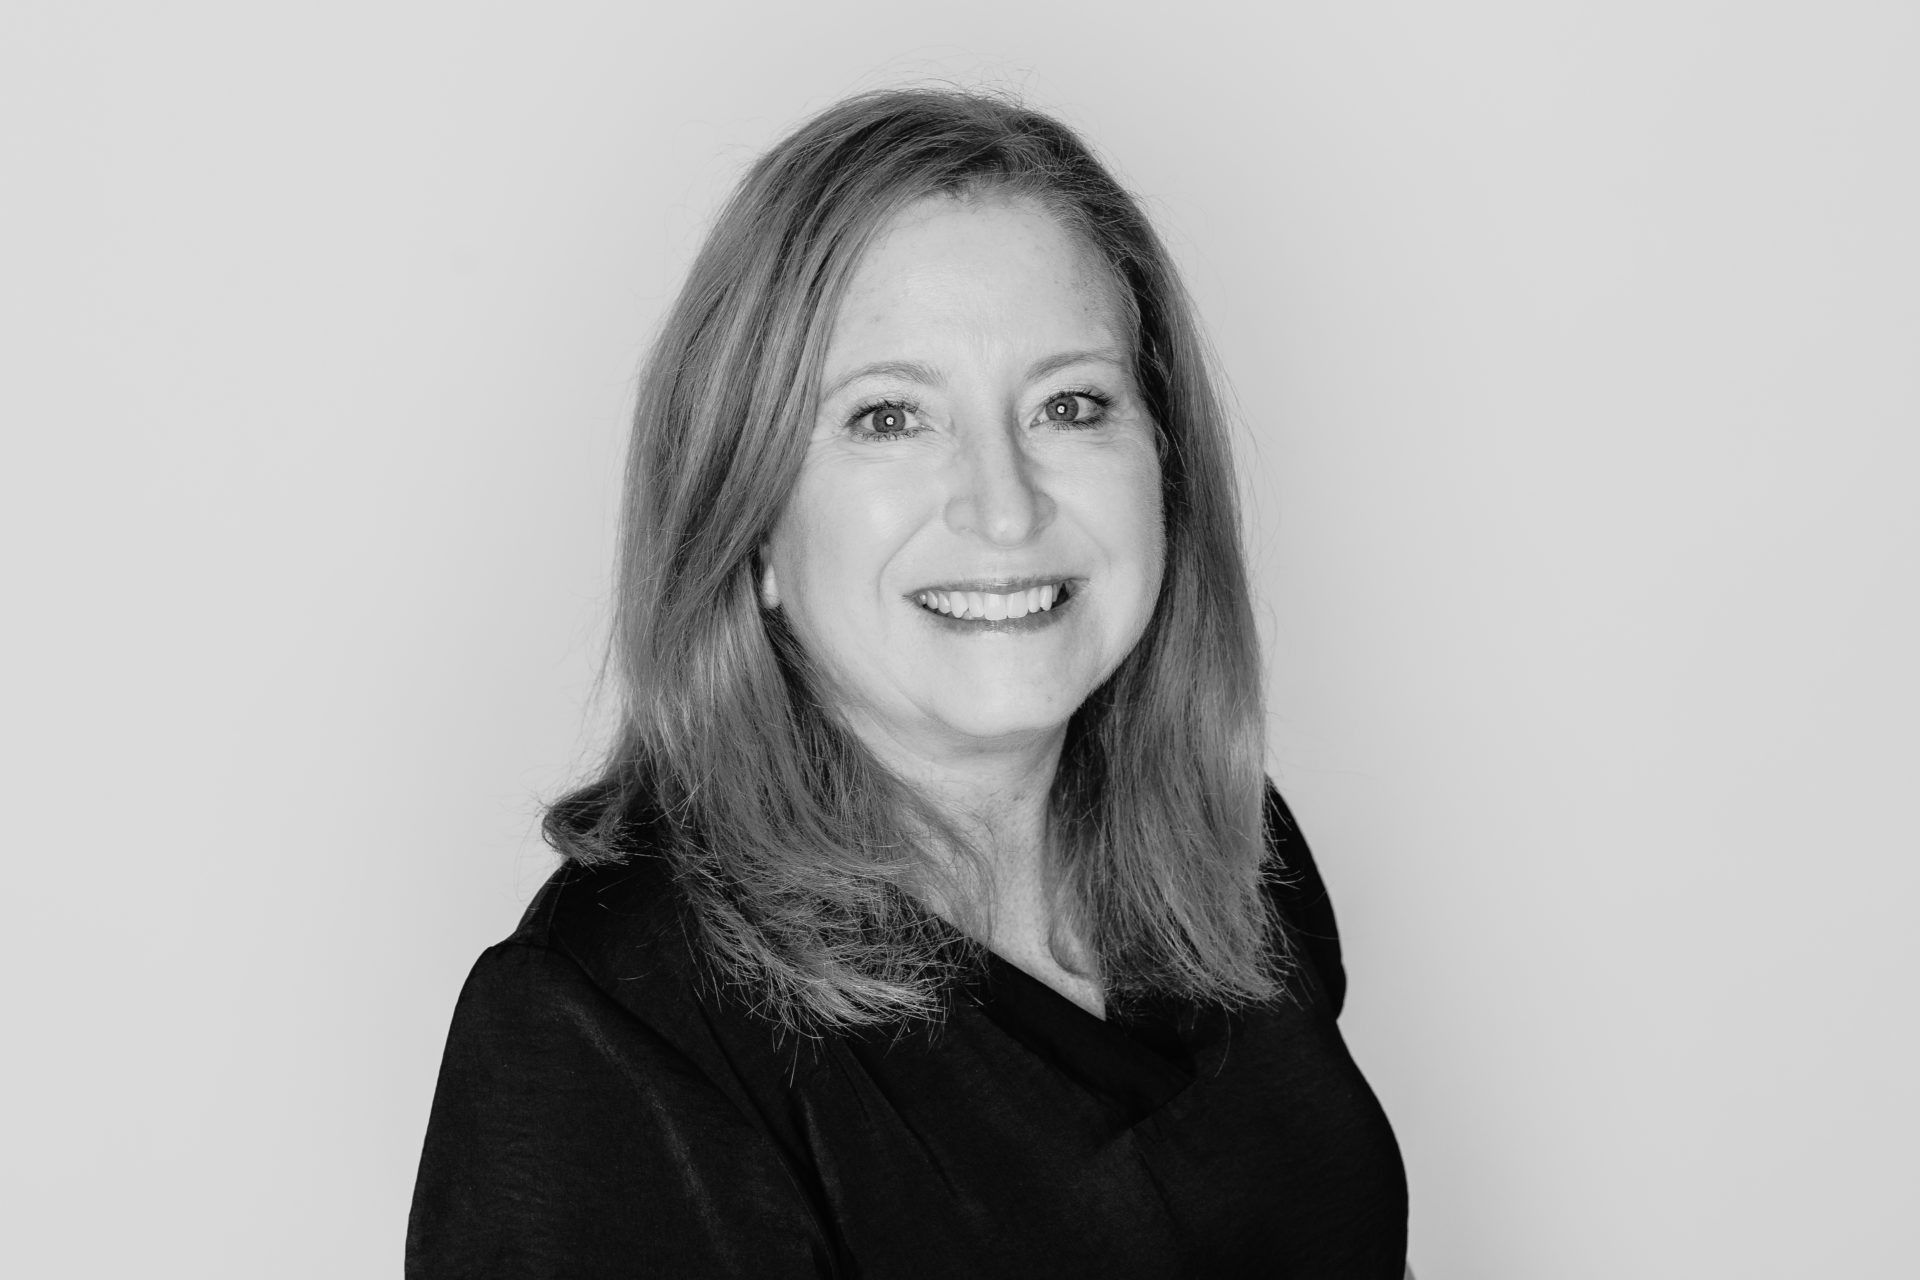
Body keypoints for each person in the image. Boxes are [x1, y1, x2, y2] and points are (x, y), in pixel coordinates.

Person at [407, 88, 1408, 1278]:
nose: (1004, 504)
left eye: (1070, 404)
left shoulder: (1232, 849)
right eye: (890, 416)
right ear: (752, 521)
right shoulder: (609, 1029)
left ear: (1165, 464)